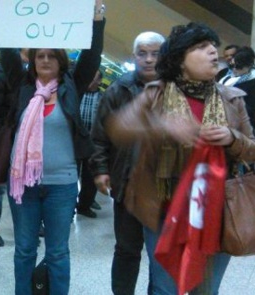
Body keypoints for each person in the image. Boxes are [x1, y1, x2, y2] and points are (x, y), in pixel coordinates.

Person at [105, 22, 255, 295]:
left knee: (206, 290)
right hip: (166, 209)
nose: (213, 51)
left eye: (213, 46)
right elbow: (119, 127)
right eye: (201, 47)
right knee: (166, 288)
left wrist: (231, 138)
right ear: (179, 59)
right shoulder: (156, 93)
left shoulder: (232, 98)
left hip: (216, 211)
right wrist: (162, 127)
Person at [0, 0, 105, 292]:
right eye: (39, 55)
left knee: (58, 252)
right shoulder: (22, 86)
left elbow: (92, 55)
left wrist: (97, 20)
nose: (45, 60)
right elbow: (6, 53)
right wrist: (5, 19)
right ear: (32, 60)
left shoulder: (72, 85)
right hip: (23, 186)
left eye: (51, 56)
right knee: (24, 249)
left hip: (62, 185)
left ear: (61, 60)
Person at [90, 31, 165, 295]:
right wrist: (100, 170)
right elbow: (100, 135)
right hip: (128, 185)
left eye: (155, 53)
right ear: (134, 56)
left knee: (162, 255)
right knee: (127, 249)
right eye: (142, 53)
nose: (148, 59)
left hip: (166, 188)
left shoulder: (175, 89)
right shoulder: (119, 88)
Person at [0, 49, 29, 247]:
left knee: (25, 185)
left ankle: (27, 227)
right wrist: (1, 141)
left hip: (23, 138)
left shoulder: (29, 72)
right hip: (6, 139)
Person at [76, 70, 104, 219]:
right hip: (75, 141)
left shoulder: (103, 98)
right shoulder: (77, 93)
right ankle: (68, 205)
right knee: (72, 175)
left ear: (99, 81)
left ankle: (84, 205)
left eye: (93, 77)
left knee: (90, 177)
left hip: (93, 143)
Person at [219, 46, 255, 131]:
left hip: (242, 123)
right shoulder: (224, 74)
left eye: (238, 66)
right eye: (233, 66)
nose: (234, 69)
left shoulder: (254, 76)